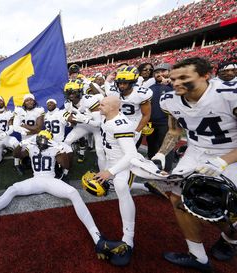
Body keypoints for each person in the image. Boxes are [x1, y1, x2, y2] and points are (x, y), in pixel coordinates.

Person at [0, 130, 128, 263]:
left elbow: (66, 165)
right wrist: (21, 145)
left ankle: (98, 239)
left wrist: (59, 150)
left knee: (73, 192)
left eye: (45, 139)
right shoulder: (31, 145)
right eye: (40, 138)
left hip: (50, 180)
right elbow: (17, 155)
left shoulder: (55, 147)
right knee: (13, 189)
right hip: (36, 179)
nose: (42, 141)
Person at [151, 57, 237, 272]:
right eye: (173, 78)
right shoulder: (169, 99)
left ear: (206, 75)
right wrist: (161, 154)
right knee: (177, 197)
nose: (176, 82)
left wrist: (222, 161)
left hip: (231, 152)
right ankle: (198, 256)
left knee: (218, 202)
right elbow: (174, 131)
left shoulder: (229, 95)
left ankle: (231, 236)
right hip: (196, 151)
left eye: (184, 78)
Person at [95, 96, 139, 266]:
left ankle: (128, 239)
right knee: (108, 186)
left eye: (103, 104)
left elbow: (131, 155)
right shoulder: (106, 118)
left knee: (121, 187)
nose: (99, 106)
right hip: (111, 160)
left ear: (113, 107)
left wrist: (110, 172)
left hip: (125, 164)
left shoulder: (121, 124)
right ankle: (144, 186)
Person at [63, 79, 105, 170]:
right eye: (68, 93)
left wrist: (86, 120)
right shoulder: (67, 103)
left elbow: (99, 124)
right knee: (67, 141)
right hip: (83, 125)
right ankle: (66, 165)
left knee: (100, 151)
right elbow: (71, 118)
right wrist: (71, 121)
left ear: (80, 92)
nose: (71, 95)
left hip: (97, 127)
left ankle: (103, 172)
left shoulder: (89, 100)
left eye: (73, 92)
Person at [146, 63, 174, 172]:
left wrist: (172, 84)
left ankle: (166, 170)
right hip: (151, 122)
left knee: (167, 146)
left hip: (167, 122)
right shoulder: (150, 88)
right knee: (152, 145)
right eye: (157, 72)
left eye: (163, 71)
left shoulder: (176, 85)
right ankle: (152, 167)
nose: (159, 74)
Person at [44, 98, 72, 181]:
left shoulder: (61, 112)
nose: (49, 104)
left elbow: (69, 123)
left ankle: (65, 171)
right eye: (48, 103)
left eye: (51, 103)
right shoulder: (45, 115)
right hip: (49, 141)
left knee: (70, 152)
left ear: (56, 105)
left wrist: (68, 122)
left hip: (59, 142)